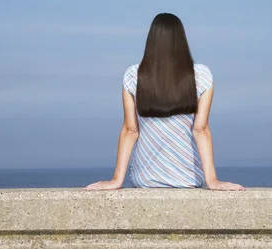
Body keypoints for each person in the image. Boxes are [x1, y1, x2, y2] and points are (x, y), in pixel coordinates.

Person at [83, 13, 246, 191]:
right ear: (182, 40)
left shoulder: (134, 76)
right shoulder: (201, 76)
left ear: (151, 41)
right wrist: (213, 181)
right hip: (188, 178)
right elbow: (200, 129)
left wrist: (116, 180)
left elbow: (130, 131)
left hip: (145, 178)